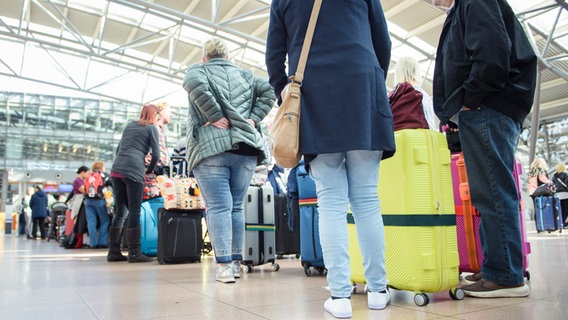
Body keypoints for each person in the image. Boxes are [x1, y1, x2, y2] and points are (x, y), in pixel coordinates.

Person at [266, 1, 395, 318]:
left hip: (314, 93)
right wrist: (371, 77)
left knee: (331, 201)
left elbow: (274, 56)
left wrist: (282, 88)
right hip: (362, 86)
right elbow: (383, 41)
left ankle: (339, 296)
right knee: (366, 198)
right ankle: (378, 290)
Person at [431, 0, 537, 298]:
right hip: (487, 107)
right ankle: (496, 265)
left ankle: (505, 275)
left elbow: (492, 54)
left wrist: (470, 99)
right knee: (487, 190)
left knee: (492, 190)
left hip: (488, 105)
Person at [183, 37, 275, 283]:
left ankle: (224, 266)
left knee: (219, 207)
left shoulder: (198, 70)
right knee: (235, 206)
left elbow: (192, 82)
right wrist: (254, 119)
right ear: (228, 58)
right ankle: (234, 264)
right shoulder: (246, 76)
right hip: (244, 150)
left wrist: (213, 115)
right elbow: (269, 91)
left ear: (205, 58)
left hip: (211, 150)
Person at [108, 104, 160, 263]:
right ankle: (134, 252)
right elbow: (156, 154)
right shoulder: (151, 128)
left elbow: (118, 150)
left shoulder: (129, 125)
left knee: (120, 212)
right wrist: (149, 170)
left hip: (116, 170)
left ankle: (113, 252)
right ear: (154, 116)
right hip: (134, 170)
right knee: (135, 210)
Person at [393, 56, 438, 130]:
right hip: (422, 138)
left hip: (399, 138)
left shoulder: (394, 96)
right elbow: (430, 124)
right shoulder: (423, 95)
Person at [83, 161, 111, 249]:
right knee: (105, 221)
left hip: (88, 200)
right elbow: (112, 184)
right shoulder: (104, 175)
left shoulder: (89, 176)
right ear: (102, 167)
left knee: (91, 222)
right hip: (99, 200)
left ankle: (93, 243)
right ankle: (103, 242)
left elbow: (84, 188)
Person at [145, 102, 172, 175]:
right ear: (161, 111)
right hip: (155, 168)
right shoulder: (154, 128)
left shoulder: (160, 129)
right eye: (169, 112)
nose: (171, 115)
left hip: (160, 168)